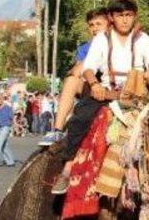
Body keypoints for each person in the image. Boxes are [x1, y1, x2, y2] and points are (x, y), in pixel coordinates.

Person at [51, 0, 149, 195]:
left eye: (129, 15)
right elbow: (88, 67)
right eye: (120, 15)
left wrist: (146, 75)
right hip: (107, 93)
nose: (125, 19)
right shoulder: (102, 39)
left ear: (134, 16)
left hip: (137, 96)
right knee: (79, 119)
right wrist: (94, 84)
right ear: (111, 17)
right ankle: (68, 166)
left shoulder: (143, 40)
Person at [39, 8, 110, 145]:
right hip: (91, 84)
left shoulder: (112, 41)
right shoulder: (85, 48)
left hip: (110, 84)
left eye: (98, 24)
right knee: (71, 80)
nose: (95, 28)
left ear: (107, 23)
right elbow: (77, 71)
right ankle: (58, 129)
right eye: (91, 25)